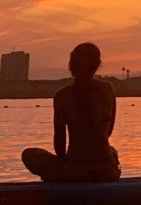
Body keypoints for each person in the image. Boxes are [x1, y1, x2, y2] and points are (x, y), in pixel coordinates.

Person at [22, 42, 120, 182]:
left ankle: (60, 181)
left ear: (72, 65)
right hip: (107, 170)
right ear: (98, 65)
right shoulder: (108, 90)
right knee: (112, 150)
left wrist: (64, 165)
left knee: (28, 154)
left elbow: (59, 144)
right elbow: (108, 132)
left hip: (76, 171)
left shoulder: (62, 96)